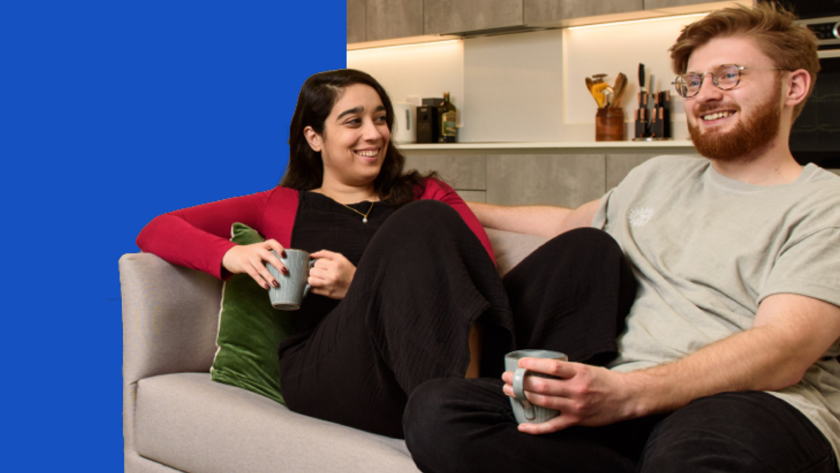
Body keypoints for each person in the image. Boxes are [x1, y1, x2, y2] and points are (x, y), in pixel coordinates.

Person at [403, 4, 840, 472]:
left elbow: (783, 350)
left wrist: (628, 394)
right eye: (692, 83)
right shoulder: (656, 177)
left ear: (794, 86)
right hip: (618, 395)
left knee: (694, 454)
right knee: (439, 410)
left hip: (745, 403)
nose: (705, 95)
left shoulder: (822, 203)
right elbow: (566, 224)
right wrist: (443, 205)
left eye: (728, 76)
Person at [136, 69, 516, 439]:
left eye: (381, 118)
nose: (374, 133)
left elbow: (477, 269)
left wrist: (359, 283)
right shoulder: (280, 205)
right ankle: (463, 421)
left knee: (573, 253)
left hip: (419, 361)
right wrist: (231, 255)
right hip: (330, 365)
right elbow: (157, 228)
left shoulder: (425, 195)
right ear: (314, 137)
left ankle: (464, 410)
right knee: (424, 221)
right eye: (354, 121)